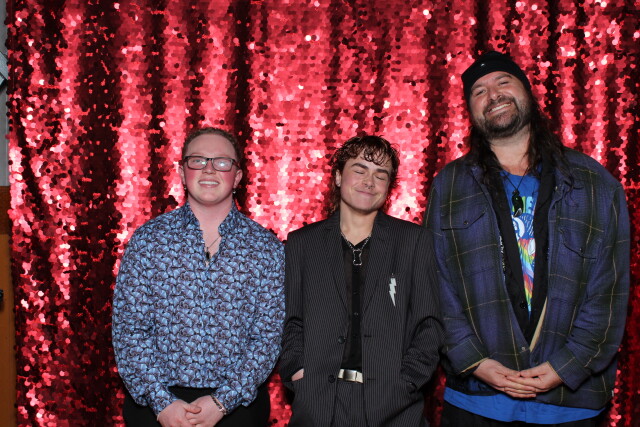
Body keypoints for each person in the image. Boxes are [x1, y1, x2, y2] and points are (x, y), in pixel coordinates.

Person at [425, 51, 630, 426]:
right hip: (476, 401)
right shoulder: (450, 185)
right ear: (470, 112)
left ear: (528, 93)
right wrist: (474, 361)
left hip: (570, 404)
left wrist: (566, 366)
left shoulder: (595, 183)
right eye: (479, 91)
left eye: (504, 82)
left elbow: (610, 291)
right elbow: (436, 284)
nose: (493, 94)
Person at [112, 127, 285, 427]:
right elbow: (129, 330)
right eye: (198, 160)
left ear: (238, 177)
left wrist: (223, 401)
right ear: (182, 172)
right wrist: (162, 403)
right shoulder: (148, 241)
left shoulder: (265, 247)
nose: (209, 169)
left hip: (237, 410)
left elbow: (268, 337)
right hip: (156, 409)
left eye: (221, 162)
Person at [280, 135, 443, 427]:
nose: (370, 181)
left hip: (394, 407)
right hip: (318, 404)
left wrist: (406, 382)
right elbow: (291, 322)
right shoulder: (302, 243)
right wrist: (298, 373)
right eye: (360, 170)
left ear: (389, 187)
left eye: (381, 175)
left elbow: (429, 325)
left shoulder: (413, 241)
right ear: (338, 176)